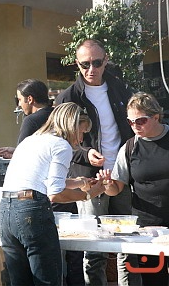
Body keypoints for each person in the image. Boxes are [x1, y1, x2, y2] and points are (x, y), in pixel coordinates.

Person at [55, 39, 138, 286]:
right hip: (90, 179)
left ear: (106, 60)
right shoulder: (68, 97)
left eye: (97, 62)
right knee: (94, 247)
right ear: (77, 64)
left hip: (121, 175)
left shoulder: (121, 89)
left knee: (128, 243)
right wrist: (87, 152)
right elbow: (61, 142)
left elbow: (133, 128)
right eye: (85, 64)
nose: (91, 69)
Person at [0, 102, 107, 285]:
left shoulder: (31, 140)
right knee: (47, 280)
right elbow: (55, 194)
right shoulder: (61, 145)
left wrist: (80, 182)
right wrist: (88, 195)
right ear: (71, 126)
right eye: (81, 132)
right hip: (30, 211)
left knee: (19, 281)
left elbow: (42, 181)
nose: (81, 139)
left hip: (6, 211)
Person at [98, 92, 169, 286]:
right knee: (153, 281)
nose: (135, 126)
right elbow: (116, 189)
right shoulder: (130, 147)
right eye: (130, 122)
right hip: (148, 228)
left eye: (141, 121)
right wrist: (107, 184)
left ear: (156, 117)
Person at [0, 79, 53, 159]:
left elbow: (23, 153)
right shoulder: (59, 115)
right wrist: (15, 151)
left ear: (30, 99)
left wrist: (17, 153)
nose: (19, 104)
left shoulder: (31, 121)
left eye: (19, 100)